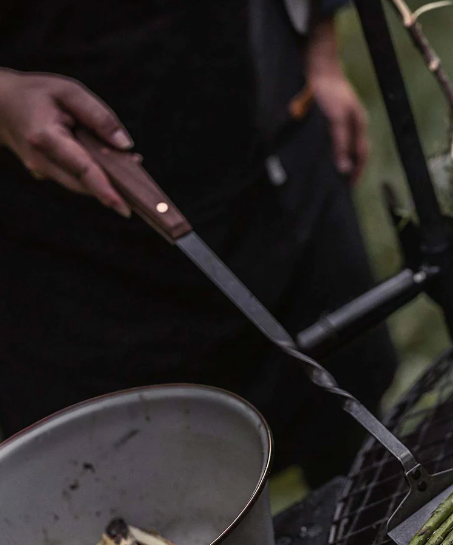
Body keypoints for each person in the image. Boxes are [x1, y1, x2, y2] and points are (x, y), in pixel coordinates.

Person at [0, 0, 397, 486]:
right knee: (130, 503)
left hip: (275, 151)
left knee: (358, 443)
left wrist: (320, 52)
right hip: (71, 246)